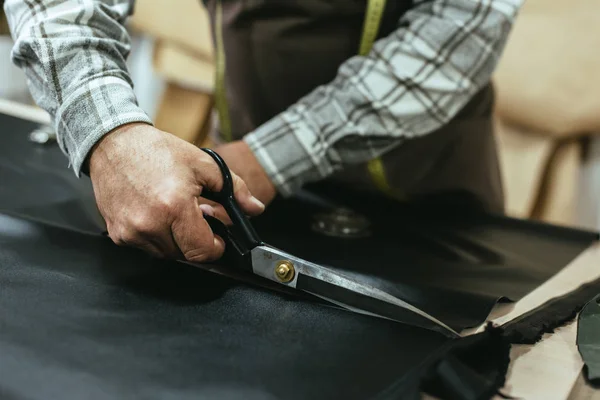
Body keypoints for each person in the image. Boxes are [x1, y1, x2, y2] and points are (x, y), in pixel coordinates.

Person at [4, 0, 522, 263]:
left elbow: (460, 29)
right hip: (238, 184)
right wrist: (111, 136)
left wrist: (257, 163)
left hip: (422, 206)